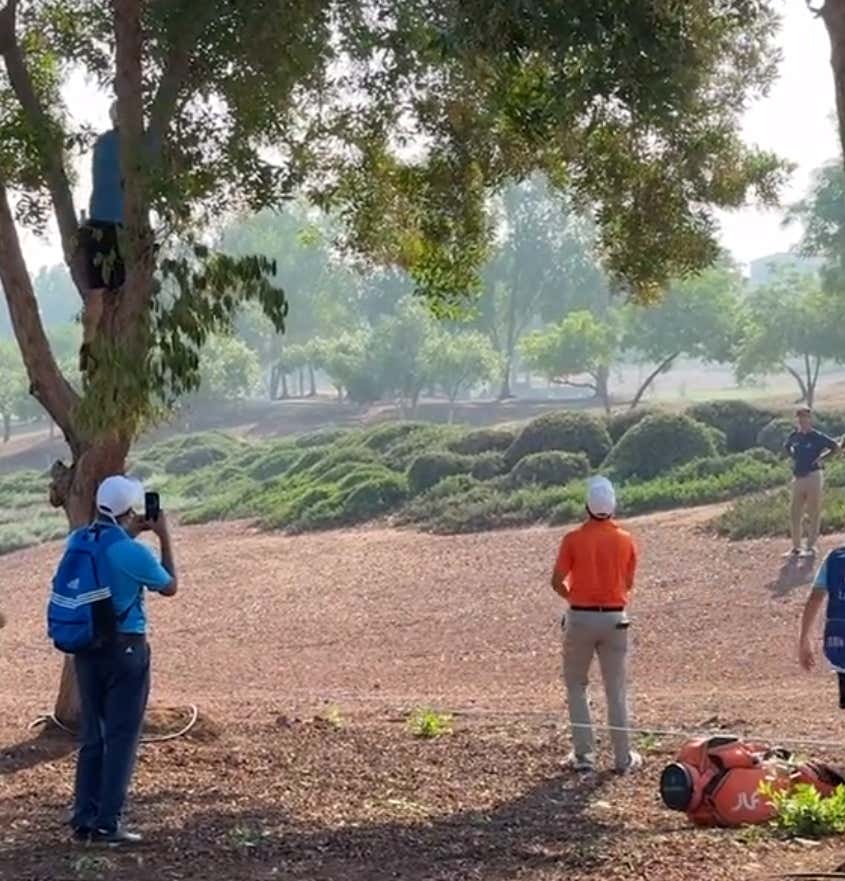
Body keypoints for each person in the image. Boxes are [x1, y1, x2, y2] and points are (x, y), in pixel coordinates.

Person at [70, 475, 178, 846]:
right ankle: (107, 824)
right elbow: (169, 585)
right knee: (121, 736)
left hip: (85, 648)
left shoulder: (79, 539)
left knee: (93, 736)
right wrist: (163, 535)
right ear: (132, 511)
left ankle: (83, 818)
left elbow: (108, 559)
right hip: (126, 649)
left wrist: (130, 532)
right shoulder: (133, 553)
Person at [551, 476, 641, 774]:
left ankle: (584, 756)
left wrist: (573, 596)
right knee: (615, 690)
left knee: (576, 685)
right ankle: (623, 758)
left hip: (580, 616)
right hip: (616, 618)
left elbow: (557, 581)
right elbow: (628, 583)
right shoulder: (626, 540)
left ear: (587, 505)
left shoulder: (573, 539)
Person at [78, 101, 125, 374]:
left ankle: (89, 344)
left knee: (96, 294)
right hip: (119, 227)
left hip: (98, 223)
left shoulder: (102, 144)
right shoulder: (129, 144)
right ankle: (110, 350)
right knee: (122, 291)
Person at [784, 407, 840, 558]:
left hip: (813, 475)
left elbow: (835, 447)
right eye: (800, 417)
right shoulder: (794, 436)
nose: (802, 420)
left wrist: (822, 458)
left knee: (813, 512)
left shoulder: (817, 436)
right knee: (795, 513)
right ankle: (796, 547)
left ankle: (810, 547)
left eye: (805, 417)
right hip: (798, 477)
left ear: (810, 419)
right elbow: (787, 447)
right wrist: (793, 457)